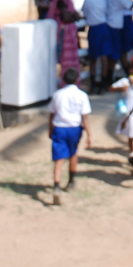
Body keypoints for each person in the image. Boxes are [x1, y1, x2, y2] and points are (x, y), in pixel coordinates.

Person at [48, 67, 91, 203]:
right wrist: (89, 134)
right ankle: (71, 180)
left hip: (59, 127)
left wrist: (50, 129)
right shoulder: (82, 95)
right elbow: (85, 117)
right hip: (74, 128)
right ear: (77, 79)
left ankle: (56, 184)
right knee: (73, 153)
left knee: (59, 157)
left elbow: (51, 114)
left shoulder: (57, 94)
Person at [82, 0, 113, 93]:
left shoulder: (87, 1)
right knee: (104, 57)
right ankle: (103, 84)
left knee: (93, 58)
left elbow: (85, 13)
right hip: (104, 28)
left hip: (94, 29)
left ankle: (94, 84)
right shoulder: (102, 2)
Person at [52, 0, 81, 83]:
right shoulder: (60, 1)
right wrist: (74, 17)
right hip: (64, 35)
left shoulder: (68, 0)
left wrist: (73, 16)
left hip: (70, 35)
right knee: (66, 60)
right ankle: (66, 83)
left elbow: (74, 14)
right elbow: (66, 17)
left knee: (73, 60)